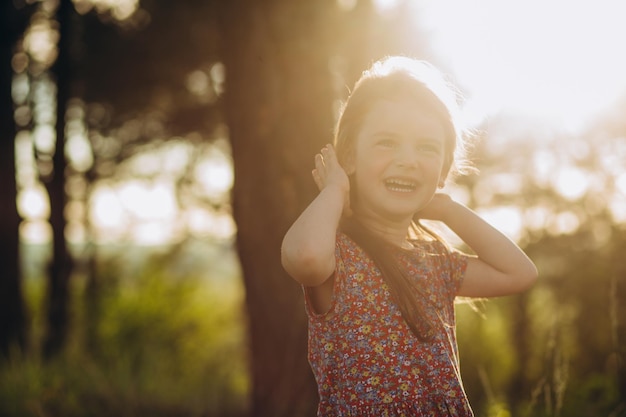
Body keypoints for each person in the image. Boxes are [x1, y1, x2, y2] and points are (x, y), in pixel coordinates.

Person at [281, 56, 538, 417]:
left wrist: (448, 209)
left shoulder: (435, 262)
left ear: (443, 169)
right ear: (349, 157)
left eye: (427, 148)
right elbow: (304, 258)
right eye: (387, 142)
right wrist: (335, 191)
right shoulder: (338, 255)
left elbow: (520, 273)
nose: (408, 160)